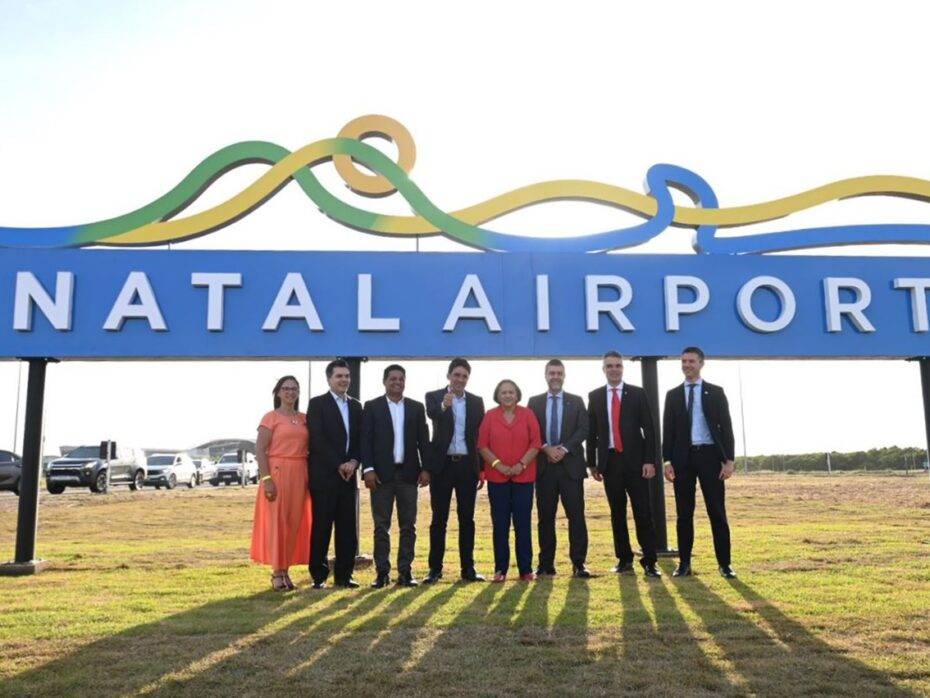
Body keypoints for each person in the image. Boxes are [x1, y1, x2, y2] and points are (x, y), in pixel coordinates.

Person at [663, 346, 737, 579]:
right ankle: (684, 564)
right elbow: (669, 431)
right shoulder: (673, 395)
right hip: (682, 460)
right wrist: (667, 461)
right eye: (683, 361)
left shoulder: (715, 392)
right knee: (684, 514)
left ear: (701, 363)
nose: (687, 365)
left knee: (717, 512)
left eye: (691, 361)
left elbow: (726, 428)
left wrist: (729, 461)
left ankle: (725, 565)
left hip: (710, 458)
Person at [586, 351, 662, 578]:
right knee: (617, 513)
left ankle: (649, 561)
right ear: (604, 370)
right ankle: (624, 559)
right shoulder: (596, 396)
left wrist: (650, 460)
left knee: (643, 512)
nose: (614, 369)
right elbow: (592, 433)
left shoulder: (638, 394)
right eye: (609, 366)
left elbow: (649, 430)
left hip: (637, 463)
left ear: (622, 368)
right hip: (610, 463)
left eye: (617, 365)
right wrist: (592, 463)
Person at [361, 364, 431, 588]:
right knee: (381, 526)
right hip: (380, 476)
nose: (397, 382)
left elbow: (424, 442)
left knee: (408, 526)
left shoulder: (416, 407)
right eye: (393, 379)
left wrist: (426, 468)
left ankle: (405, 572)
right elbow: (366, 441)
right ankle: (382, 573)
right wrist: (368, 469)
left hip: (409, 475)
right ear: (385, 381)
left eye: (401, 379)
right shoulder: (372, 407)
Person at [422, 358, 487, 584]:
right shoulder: (434, 396)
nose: (460, 379)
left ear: (468, 379)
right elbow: (432, 414)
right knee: (439, 519)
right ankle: (434, 570)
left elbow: (480, 437)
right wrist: (444, 405)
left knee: (466, 519)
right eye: (456, 375)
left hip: (467, 466)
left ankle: (468, 569)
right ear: (449, 376)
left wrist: (482, 468)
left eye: (464, 376)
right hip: (443, 466)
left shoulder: (477, 402)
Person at [527, 359, 591, 578]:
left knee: (576, 516)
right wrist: (546, 449)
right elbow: (531, 431)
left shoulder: (576, 401)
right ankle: (546, 564)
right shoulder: (534, 402)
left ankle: (579, 563)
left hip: (570, 468)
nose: (555, 376)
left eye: (559, 373)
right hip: (545, 468)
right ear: (545, 375)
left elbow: (584, 429)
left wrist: (563, 449)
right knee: (546, 517)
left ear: (564, 375)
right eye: (552, 373)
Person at [251, 375, 313, 591]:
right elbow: (260, 450)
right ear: (278, 392)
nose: (290, 392)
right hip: (277, 472)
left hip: (300, 472)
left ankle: (286, 570)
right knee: (278, 522)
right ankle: (277, 571)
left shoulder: (305, 418)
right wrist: (266, 479)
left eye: (294, 388)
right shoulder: (271, 418)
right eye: (286, 388)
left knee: (295, 522)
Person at [477, 379, 542, 582]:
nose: (507, 395)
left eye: (511, 392)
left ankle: (526, 569)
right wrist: (499, 465)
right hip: (497, 478)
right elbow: (482, 446)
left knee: (523, 524)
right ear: (498, 395)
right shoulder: (489, 416)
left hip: (524, 477)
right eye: (503, 392)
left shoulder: (528, 414)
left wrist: (520, 465)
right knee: (501, 524)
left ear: (517, 394)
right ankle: (500, 570)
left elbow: (536, 443)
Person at [307, 359, 362, 589]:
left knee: (347, 528)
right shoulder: (317, 404)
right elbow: (317, 439)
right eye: (339, 376)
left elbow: (361, 438)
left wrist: (353, 461)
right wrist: (339, 464)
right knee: (322, 527)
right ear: (329, 379)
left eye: (347, 376)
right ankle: (319, 577)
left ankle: (344, 575)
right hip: (325, 477)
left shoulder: (357, 406)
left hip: (349, 477)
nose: (344, 380)